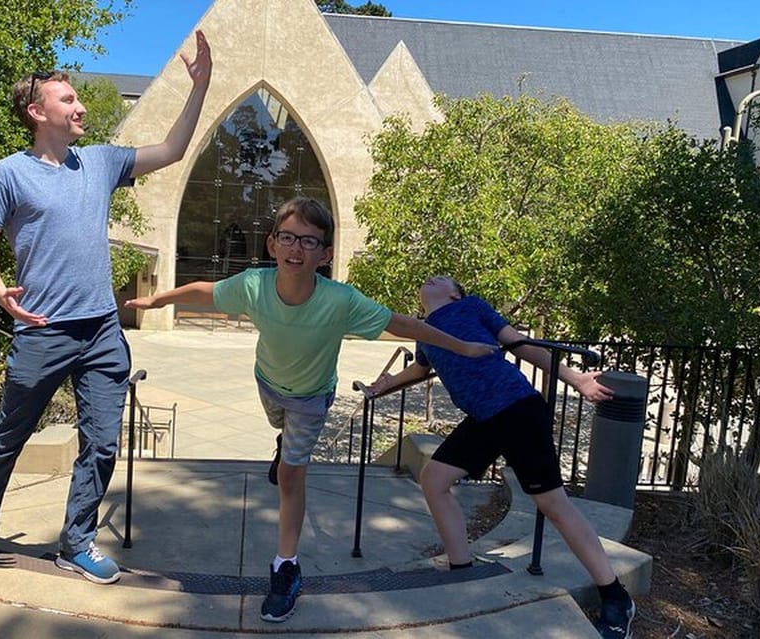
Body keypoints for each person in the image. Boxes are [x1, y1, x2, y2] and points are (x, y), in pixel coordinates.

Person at [125, 198, 495, 622]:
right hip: (267, 383)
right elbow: (205, 291)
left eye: (309, 241)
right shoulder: (253, 285)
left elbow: (404, 324)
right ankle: (283, 446)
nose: (296, 248)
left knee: (290, 475)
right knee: (281, 433)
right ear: (272, 244)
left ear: (326, 254)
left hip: (311, 398)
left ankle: (286, 567)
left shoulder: (341, 300)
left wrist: (462, 347)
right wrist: (158, 300)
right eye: (287, 237)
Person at [0, 31, 212, 585]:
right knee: (8, 438)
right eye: (68, 99)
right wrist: (1, 293)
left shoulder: (100, 163)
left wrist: (201, 87)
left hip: (101, 332)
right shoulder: (7, 174)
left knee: (101, 444)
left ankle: (77, 542)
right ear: (36, 112)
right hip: (43, 330)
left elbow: (172, 150)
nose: (81, 107)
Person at [367, 275, 635, 639]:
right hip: (483, 419)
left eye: (444, 278)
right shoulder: (424, 331)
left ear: (454, 294)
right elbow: (420, 370)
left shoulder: (471, 306)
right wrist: (385, 385)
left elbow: (519, 344)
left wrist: (575, 379)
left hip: (516, 407)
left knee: (552, 503)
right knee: (434, 479)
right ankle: (462, 568)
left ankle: (616, 596)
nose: (434, 276)